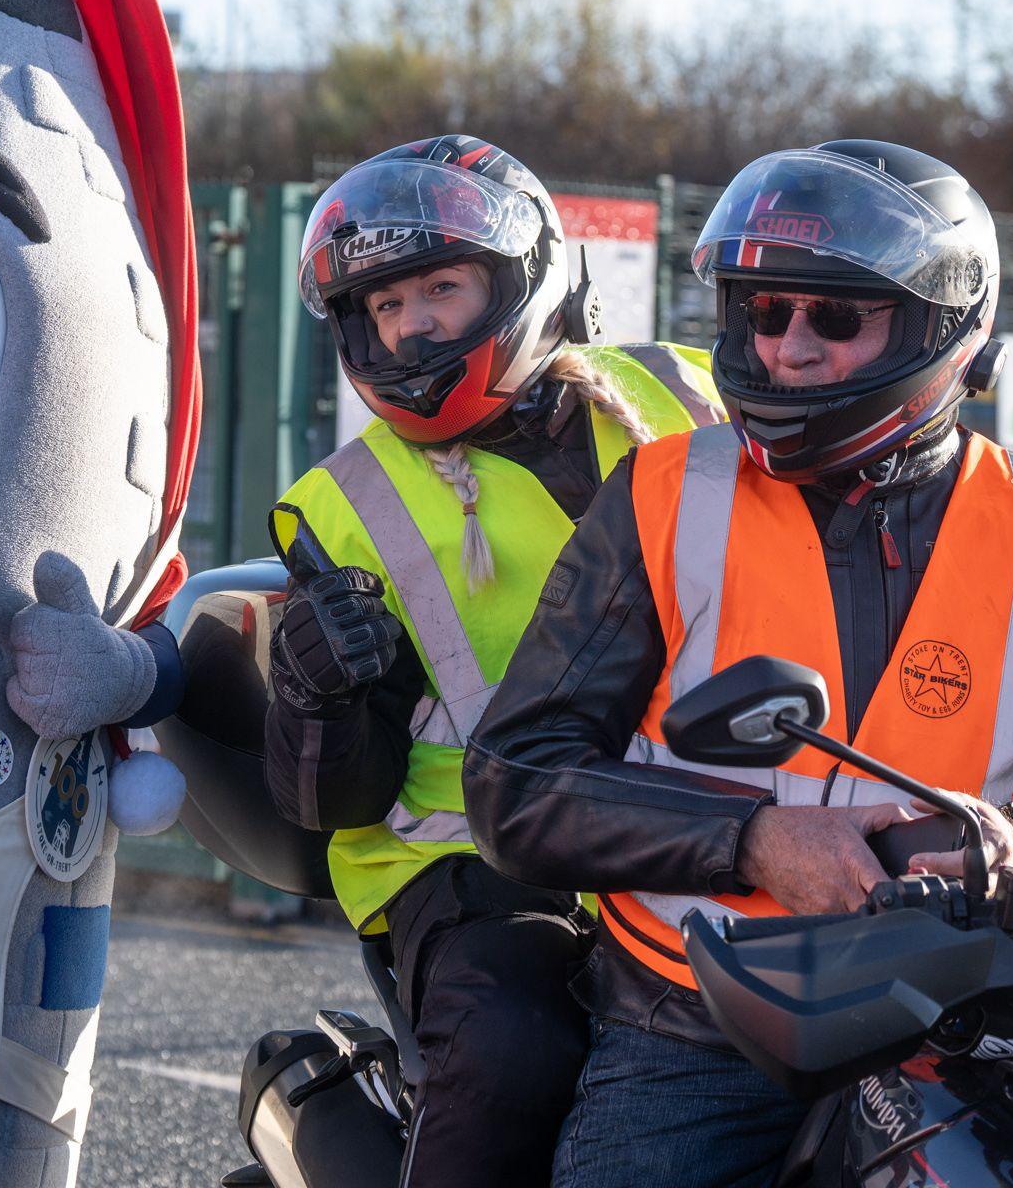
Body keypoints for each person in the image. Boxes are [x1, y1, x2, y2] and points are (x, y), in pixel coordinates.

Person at [462, 139, 1013, 1188]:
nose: (789, 351)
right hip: (702, 1030)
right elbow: (515, 779)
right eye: (765, 314)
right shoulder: (664, 494)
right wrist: (752, 839)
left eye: (836, 317)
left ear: (946, 327)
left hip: (983, 1020)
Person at [264, 135, 725, 1187]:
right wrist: (313, 684)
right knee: (518, 1052)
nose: (412, 322)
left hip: (723, 813)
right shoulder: (341, 505)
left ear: (524, 279)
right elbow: (332, 797)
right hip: (479, 867)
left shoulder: (684, 395)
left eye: (440, 286)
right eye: (384, 305)